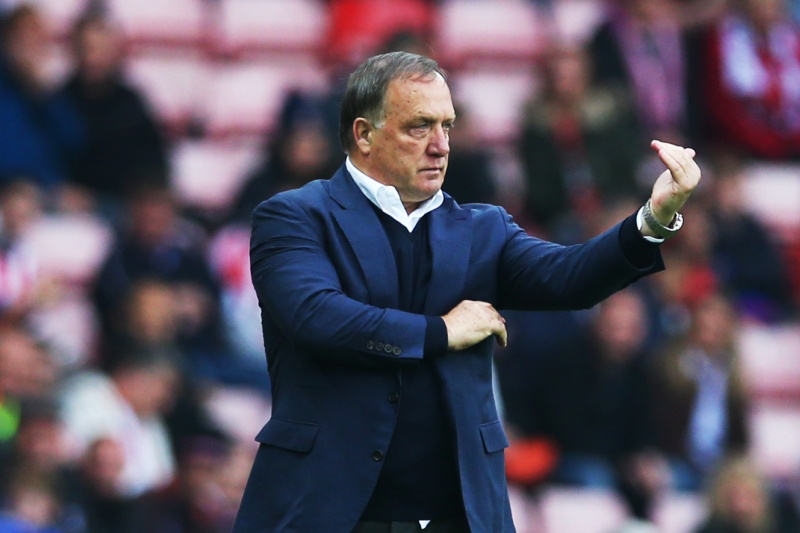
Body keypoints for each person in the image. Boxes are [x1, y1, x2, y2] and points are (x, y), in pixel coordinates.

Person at [233, 51, 701, 532]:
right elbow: (315, 316)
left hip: (461, 514)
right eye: (419, 126)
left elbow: (571, 278)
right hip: (325, 509)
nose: (440, 146)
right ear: (364, 134)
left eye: (447, 126)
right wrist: (441, 332)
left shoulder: (483, 228)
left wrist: (653, 219)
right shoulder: (295, 216)